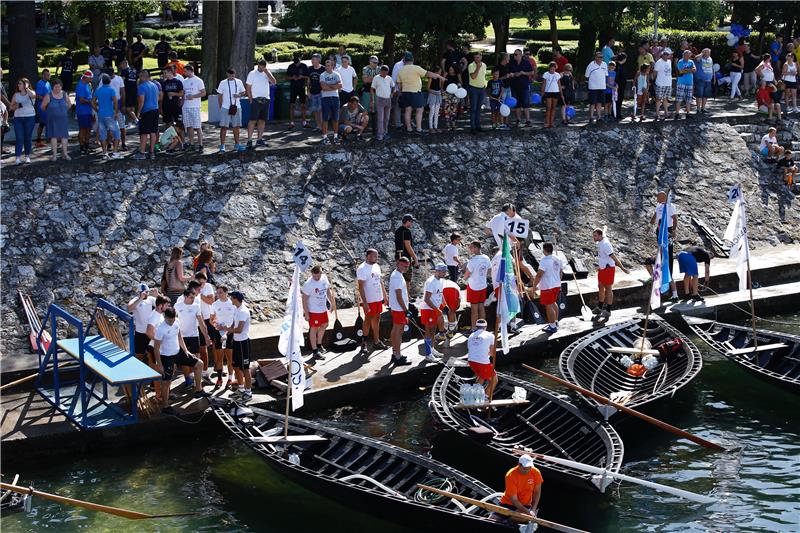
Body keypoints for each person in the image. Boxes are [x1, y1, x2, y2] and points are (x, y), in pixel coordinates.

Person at [154, 308, 209, 414]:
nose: (171, 322)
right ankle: (165, 406)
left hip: (178, 352)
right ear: (165, 317)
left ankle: (198, 390)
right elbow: (156, 348)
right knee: (167, 382)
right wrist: (160, 364)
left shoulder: (177, 322)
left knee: (199, 364)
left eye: (173, 319)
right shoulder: (160, 329)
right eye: (169, 320)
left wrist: (186, 350)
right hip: (167, 356)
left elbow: (179, 336)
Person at [397, 51, 444, 134]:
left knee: (408, 110)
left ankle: (409, 129)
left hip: (405, 92)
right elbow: (428, 73)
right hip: (416, 92)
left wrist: (402, 91)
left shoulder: (400, 70)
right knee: (419, 109)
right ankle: (419, 129)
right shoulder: (416, 68)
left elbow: (399, 85)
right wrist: (439, 76)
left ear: (404, 60)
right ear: (413, 59)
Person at [174, 289, 213, 390]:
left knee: (196, 360)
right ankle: (188, 380)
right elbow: (173, 322)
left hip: (194, 336)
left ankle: (197, 384)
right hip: (182, 337)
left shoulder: (196, 306)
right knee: (185, 361)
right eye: (191, 297)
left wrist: (206, 336)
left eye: (194, 297)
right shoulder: (177, 306)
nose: (193, 299)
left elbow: (201, 323)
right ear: (185, 297)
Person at [592, 228, 629, 319]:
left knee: (608, 288)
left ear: (600, 236)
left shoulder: (606, 245)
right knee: (600, 286)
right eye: (593, 235)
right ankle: (600, 307)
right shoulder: (601, 238)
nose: (594, 237)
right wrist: (605, 228)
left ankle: (608, 310)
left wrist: (622, 268)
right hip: (602, 269)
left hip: (608, 269)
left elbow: (614, 257)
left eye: (595, 236)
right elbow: (604, 231)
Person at [357, 248, 388, 354]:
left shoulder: (377, 266)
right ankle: (364, 343)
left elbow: (380, 281)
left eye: (377, 256)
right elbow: (360, 287)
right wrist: (364, 302)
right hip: (369, 299)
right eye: (375, 256)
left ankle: (376, 341)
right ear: (368, 256)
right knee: (368, 320)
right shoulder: (362, 268)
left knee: (377, 318)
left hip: (378, 298)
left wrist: (385, 295)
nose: (377, 258)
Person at [302, 265, 336, 360]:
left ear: (321, 273)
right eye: (315, 276)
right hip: (313, 310)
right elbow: (304, 299)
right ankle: (315, 351)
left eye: (319, 275)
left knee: (325, 324)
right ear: (312, 274)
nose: (317, 277)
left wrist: (332, 303)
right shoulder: (308, 284)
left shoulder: (324, 278)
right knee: (314, 328)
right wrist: (306, 313)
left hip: (323, 308)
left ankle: (319, 344)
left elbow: (328, 291)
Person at [650, 191, 679, 300]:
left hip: (667, 230)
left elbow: (675, 218)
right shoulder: (658, 205)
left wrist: (674, 230)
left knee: (667, 258)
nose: (657, 198)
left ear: (664, 197)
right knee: (660, 255)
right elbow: (655, 215)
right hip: (659, 230)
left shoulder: (670, 206)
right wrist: (650, 223)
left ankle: (672, 290)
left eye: (658, 196)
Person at [499, 454, 543, 521]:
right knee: (491, 519)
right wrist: (528, 512)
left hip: (525, 505)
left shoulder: (536, 472)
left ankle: (508, 521)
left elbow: (537, 492)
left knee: (519, 518)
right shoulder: (510, 475)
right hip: (507, 503)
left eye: (529, 468)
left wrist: (533, 509)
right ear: (519, 465)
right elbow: (514, 500)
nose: (527, 471)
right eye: (525, 468)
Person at [530, 243, 563, 334]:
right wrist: (558, 281)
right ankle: (555, 322)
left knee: (548, 305)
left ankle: (552, 326)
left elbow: (539, 274)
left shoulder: (544, 261)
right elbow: (561, 272)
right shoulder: (558, 259)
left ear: (544, 250)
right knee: (553, 302)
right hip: (556, 285)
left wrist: (534, 286)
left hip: (547, 286)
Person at [419, 264, 448, 362]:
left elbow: (440, 293)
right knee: (429, 331)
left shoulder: (440, 280)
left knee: (433, 330)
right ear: (437, 271)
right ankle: (428, 354)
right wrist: (436, 309)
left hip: (435, 309)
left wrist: (444, 304)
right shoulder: (431, 282)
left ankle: (432, 349)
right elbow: (427, 299)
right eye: (443, 272)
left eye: (445, 271)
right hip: (428, 309)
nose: (445, 273)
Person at [145, 295, 170, 405]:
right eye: (166, 305)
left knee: (162, 370)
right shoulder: (154, 316)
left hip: (159, 347)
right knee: (157, 372)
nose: (168, 306)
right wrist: (159, 341)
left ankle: (163, 393)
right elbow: (149, 332)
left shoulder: (159, 314)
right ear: (160, 306)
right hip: (154, 347)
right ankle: (158, 395)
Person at [227, 291, 252, 401]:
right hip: (236, 342)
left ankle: (248, 391)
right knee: (236, 366)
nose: (230, 300)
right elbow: (234, 324)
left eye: (231, 298)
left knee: (245, 369)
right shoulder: (236, 309)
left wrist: (226, 329)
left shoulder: (243, 311)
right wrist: (227, 332)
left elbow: (239, 329)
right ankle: (241, 389)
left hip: (243, 343)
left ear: (236, 299)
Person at [246, 59, 276, 149]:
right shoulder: (252, 73)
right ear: (258, 65)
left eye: (264, 65)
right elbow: (248, 87)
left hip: (265, 99)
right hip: (256, 99)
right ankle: (249, 140)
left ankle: (259, 139)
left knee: (262, 120)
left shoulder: (267, 73)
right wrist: (250, 99)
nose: (262, 67)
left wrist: (267, 72)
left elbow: (274, 82)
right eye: (261, 65)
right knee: (252, 120)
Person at [210, 285, 237, 388]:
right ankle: (219, 378)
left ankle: (230, 378)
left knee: (230, 358)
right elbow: (211, 319)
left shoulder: (232, 304)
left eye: (221, 292)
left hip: (230, 333)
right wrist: (217, 325)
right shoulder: (215, 304)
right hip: (218, 333)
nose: (218, 294)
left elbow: (236, 320)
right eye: (217, 292)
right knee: (219, 357)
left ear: (226, 293)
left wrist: (228, 329)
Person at [388, 257, 412, 366]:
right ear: (398, 264)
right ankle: (398, 356)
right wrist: (406, 310)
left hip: (397, 307)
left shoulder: (398, 274)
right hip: (399, 308)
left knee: (397, 329)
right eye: (404, 266)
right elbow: (398, 296)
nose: (406, 268)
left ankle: (395, 353)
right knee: (398, 330)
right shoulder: (397, 277)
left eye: (407, 266)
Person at [217, 68, 246, 153]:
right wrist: (220, 107)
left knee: (236, 126)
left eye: (233, 75)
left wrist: (239, 95)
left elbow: (243, 92)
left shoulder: (239, 82)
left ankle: (237, 145)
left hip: (237, 107)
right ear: (227, 74)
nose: (231, 77)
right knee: (223, 127)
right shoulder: (223, 83)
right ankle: (222, 146)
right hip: (225, 107)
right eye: (230, 75)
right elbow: (220, 95)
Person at [127, 283, 158, 365]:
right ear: (139, 292)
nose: (146, 294)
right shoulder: (135, 300)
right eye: (144, 292)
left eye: (147, 292)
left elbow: (162, 304)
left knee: (152, 352)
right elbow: (129, 308)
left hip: (150, 331)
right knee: (139, 354)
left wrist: (157, 295)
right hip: (140, 332)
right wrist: (140, 298)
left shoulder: (151, 299)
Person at [41, 78, 71, 161]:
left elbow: (69, 105)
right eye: (55, 87)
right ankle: (54, 155)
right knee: (53, 136)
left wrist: (63, 112)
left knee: (64, 136)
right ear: (52, 87)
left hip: (63, 119)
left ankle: (65, 153)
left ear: (61, 87)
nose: (57, 89)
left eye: (59, 87)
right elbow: (43, 107)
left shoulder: (64, 94)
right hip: (52, 119)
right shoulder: (48, 95)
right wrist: (50, 112)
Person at [467, 319, 497, 399]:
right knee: (494, 380)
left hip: (471, 361)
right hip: (482, 362)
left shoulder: (471, 336)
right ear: (485, 327)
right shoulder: (491, 335)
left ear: (477, 327)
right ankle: (485, 398)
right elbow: (492, 353)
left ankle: (472, 395)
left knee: (482, 376)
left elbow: (471, 349)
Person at [93, 74, 122, 159]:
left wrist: (96, 109)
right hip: (110, 114)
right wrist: (116, 112)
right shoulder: (111, 90)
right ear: (109, 81)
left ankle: (104, 153)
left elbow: (92, 102)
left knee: (103, 135)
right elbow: (115, 102)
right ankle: (115, 152)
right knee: (116, 134)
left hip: (101, 115)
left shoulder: (98, 90)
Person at [133, 70, 160, 160]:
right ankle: (152, 152)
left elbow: (141, 101)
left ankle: (142, 152)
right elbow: (158, 98)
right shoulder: (155, 85)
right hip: (155, 109)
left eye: (140, 76)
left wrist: (138, 112)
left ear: (144, 76)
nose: (139, 78)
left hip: (146, 111)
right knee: (153, 132)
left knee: (144, 133)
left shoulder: (141, 87)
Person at [464, 241, 491, 330]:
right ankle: (483, 327)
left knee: (474, 309)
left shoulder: (472, 261)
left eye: (471, 247)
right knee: (481, 306)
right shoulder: (486, 258)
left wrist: (465, 278)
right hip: (483, 285)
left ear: (476, 248)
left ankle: (474, 328)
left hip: (473, 286)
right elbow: (489, 271)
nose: (470, 249)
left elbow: (466, 275)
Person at [10, 78, 36, 165]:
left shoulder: (31, 93)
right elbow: (10, 107)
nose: (18, 85)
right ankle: (17, 158)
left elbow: (33, 96)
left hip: (30, 117)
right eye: (18, 84)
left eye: (20, 84)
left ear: (25, 85)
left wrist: (27, 88)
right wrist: (16, 106)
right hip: (18, 118)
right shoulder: (16, 95)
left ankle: (27, 156)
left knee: (28, 138)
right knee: (19, 138)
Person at [181, 65, 205, 152]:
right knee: (189, 126)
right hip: (186, 106)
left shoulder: (198, 80)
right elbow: (183, 93)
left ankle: (200, 144)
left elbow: (203, 93)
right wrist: (181, 103)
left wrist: (193, 96)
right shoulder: (184, 81)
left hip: (195, 106)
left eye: (185, 71)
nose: (184, 73)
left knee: (197, 126)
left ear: (190, 71)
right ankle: (191, 143)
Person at [319, 59, 343, 144]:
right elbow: (323, 87)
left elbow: (340, 85)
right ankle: (325, 137)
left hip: (335, 98)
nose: (327, 67)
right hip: (325, 99)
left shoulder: (337, 74)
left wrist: (328, 85)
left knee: (335, 118)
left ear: (332, 66)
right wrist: (334, 86)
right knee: (325, 118)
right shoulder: (322, 75)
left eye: (329, 65)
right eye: (326, 65)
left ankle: (335, 136)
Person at [509, 49, 533, 127]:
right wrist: (512, 74)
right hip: (514, 86)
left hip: (524, 86)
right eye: (514, 54)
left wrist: (523, 73)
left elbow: (532, 72)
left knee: (526, 103)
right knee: (517, 104)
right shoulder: (512, 63)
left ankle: (528, 120)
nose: (514, 56)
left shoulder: (526, 63)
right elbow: (509, 72)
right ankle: (518, 119)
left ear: (520, 55)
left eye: (516, 54)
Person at [394, 214, 419, 286]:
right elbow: (408, 246)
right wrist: (415, 258)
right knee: (407, 280)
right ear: (407, 221)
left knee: (399, 277)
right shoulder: (407, 231)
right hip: (405, 258)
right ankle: (407, 296)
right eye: (411, 222)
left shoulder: (398, 231)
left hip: (398, 257)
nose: (411, 224)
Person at [74, 71, 94, 156]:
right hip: (82, 111)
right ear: (86, 77)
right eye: (90, 78)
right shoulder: (80, 86)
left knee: (88, 128)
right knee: (83, 129)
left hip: (88, 111)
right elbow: (81, 100)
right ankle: (82, 147)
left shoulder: (87, 85)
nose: (91, 80)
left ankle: (86, 145)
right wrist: (91, 102)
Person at [372, 65, 394, 141]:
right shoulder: (376, 78)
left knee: (387, 118)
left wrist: (392, 93)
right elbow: (372, 88)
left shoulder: (389, 78)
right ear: (380, 71)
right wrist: (372, 99)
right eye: (383, 72)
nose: (385, 74)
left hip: (388, 100)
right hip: (380, 99)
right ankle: (380, 134)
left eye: (386, 72)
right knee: (380, 118)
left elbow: (393, 86)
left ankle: (385, 132)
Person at [585, 52, 608, 123]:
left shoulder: (604, 64)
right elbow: (586, 76)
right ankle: (591, 117)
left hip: (602, 87)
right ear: (595, 57)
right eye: (599, 57)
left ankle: (599, 117)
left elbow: (606, 75)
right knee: (592, 103)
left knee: (599, 103)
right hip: (593, 87)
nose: (600, 58)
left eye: (601, 57)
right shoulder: (591, 65)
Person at [287, 55, 309, 129]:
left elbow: (308, 76)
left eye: (298, 63)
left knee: (303, 105)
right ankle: (292, 122)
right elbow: (286, 77)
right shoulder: (291, 66)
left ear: (300, 61)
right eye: (295, 63)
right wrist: (292, 77)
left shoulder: (304, 66)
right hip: (293, 88)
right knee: (291, 105)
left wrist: (302, 77)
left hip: (302, 87)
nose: (296, 64)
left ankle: (304, 122)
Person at [467, 52, 487, 133]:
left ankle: (478, 126)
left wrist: (484, 85)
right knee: (473, 108)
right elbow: (473, 77)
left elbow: (483, 76)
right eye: (475, 57)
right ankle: (473, 127)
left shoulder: (484, 65)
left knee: (479, 109)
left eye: (478, 57)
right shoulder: (471, 65)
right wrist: (478, 68)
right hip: (473, 89)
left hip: (482, 89)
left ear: (481, 57)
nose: (477, 59)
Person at [652, 49, 673, 121]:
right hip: (660, 83)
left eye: (668, 54)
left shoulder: (669, 61)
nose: (667, 55)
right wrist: (653, 80)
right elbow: (654, 73)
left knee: (665, 99)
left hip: (668, 83)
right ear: (662, 54)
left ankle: (666, 113)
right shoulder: (658, 62)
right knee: (658, 99)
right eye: (665, 54)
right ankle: (657, 114)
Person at [675, 50, 696, 118]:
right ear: (683, 55)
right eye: (685, 54)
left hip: (690, 82)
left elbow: (695, 70)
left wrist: (687, 70)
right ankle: (677, 113)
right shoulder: (680, 62)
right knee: (679, 99)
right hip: (681, 82)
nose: (687, 56)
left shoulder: (691, 61)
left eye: (688, 54)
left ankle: (688, 113)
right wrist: (690, 70)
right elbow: (681, 71)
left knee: (688, 99)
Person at [307, 53, 325, 132]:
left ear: (318, 60)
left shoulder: (323, 69)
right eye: (312, 59)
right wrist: (308, 91)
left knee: (320, 110)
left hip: (321, 92)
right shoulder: (310, 69)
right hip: (313, 92)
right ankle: (318, 126)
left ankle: (322, 126)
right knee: (315, 110)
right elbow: (308, 80)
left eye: (314, 59)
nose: (312, 61)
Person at [361, 55, 380, 130]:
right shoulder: (365, 68)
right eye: (374, 62)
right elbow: (365, 80)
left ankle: (376, 126)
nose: (376, 64)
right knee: (365, 109)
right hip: (367, 91)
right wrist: (376, 78)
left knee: (376, 109)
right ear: (370, 62)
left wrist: (370, 78)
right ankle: (363, 126)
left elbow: (382, 79)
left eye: (377, 62)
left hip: (377, 92)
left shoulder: (379, 68)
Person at [34, 69, 51, 148]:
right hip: (42, 107)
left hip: (48, 107)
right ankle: (39, 141)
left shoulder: (48, 83)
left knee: (45, 123)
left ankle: (46, 140)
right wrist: (46, 101)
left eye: (49, 74)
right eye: (47, 74)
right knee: (42, 123)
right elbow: (37, 95)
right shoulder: (40, 83)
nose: (49, 76)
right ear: (43, 75)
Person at [541, 61, 561, 128]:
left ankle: (551, 122)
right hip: (548, 92)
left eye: (554, 69)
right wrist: (542, 91)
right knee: (548, 107)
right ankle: (547, 122)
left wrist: (561, 93)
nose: (552, 70)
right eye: (551, 69)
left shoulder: (557, 75)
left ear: (555, 68)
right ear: (549, 68)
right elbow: (544, 83)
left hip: (556, 92)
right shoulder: (546, 74)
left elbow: (559, 84)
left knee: (553, 108)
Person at [120, 59, 139, 126]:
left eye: (121, 65)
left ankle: (136, 120)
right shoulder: (134, 71)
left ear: (124, 64)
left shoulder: (124, 71)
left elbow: (122, 81)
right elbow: (137, 81)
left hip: (127, 91)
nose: (120, 66)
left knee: (128, 108)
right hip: (134, 90)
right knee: (132, 107)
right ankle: (130, 122)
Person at [694, 49, 713, 114]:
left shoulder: (710, 59)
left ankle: (703, 108)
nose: (709, 54)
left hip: (708, 79)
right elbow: (696, 59)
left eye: (709, 53)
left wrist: (713, 77)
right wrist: (702, 53)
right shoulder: (699, 57)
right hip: (700, 79)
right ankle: (698, 109)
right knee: (699, 95)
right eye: (707, 53)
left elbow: (711, 68)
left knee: (706, 95)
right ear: (704, 52)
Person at [427, 66, 444, 133]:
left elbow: (440, 87)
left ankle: (436, 127)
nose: (440, 73)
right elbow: (428, 88)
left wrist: (441, 91)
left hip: (438, 95)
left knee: (437, 113)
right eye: (440, 71)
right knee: (432, 112)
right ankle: (430, 127)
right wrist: (434, 92)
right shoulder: (431, 78)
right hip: (432, 95)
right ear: (436, 72)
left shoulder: (439, 78)